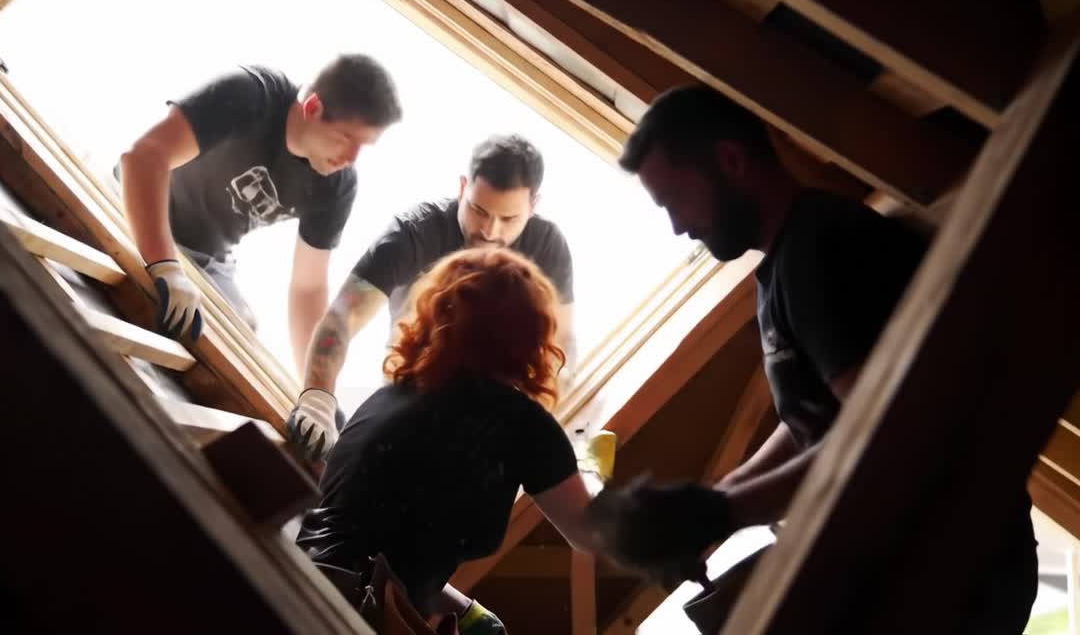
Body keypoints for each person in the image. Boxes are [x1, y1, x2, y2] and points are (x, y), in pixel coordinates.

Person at [591, 84, 1037, 632]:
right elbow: (815, 415)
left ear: (731, 161)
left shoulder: (821, 253)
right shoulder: (786, 261)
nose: (679, 227)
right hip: (913, 557)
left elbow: (881, 433)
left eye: (675, 201)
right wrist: (714, 503)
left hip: (953, 568)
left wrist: (724, 511)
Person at [295, 248, 610, 632]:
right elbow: (594, 535)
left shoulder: (391, 397)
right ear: (533, 337)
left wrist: (465, 609)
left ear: (438, 312)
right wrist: (589, 470)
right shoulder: (521, 425)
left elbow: (388, 550)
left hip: (295, 588)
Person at [287, 134, 576, 460]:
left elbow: (560, 345)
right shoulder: (413, 234)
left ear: (533, 206)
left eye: (509, 219)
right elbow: (344, 315)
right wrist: (318, 397)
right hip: (408, 397)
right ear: (463, 186)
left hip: (491, 414)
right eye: (478, 210)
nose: (490, 231)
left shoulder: (548, 247)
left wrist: (531, 423)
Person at [116, 55, 402, 372]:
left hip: (207, 258)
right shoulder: (250, 95)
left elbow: (307, 288)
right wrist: (165, 266)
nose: (351, 158)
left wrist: (315, 387)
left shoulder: (337, 186)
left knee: (241, 335)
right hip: (138, 207)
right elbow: (144, 157)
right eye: (346, 138)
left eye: (364, 147)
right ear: (312, 107)